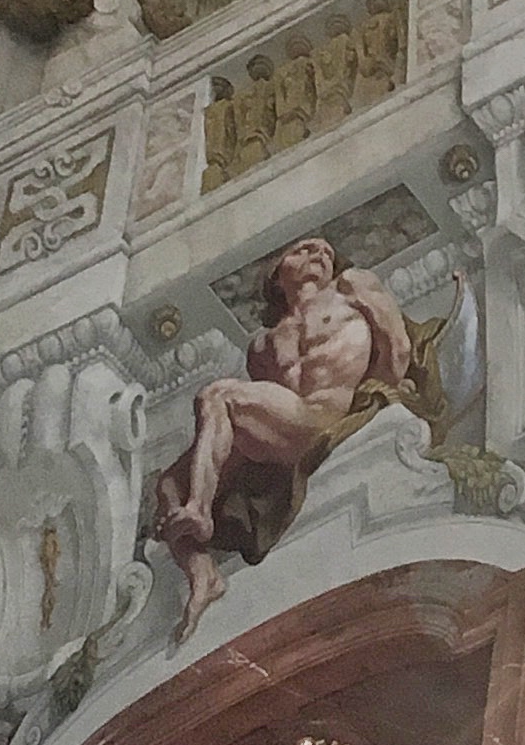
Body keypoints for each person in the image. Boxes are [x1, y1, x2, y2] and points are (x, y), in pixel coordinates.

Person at [152, 235, 418, 626]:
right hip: (284, 428)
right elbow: (266, 404)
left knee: (219, 395)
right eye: (305, 249)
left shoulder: (351, 288)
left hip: (326, 416)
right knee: (168, 486)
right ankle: (202, 573)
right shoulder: (262, 345)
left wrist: (380, 395)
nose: (320, 255)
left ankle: (201, 512)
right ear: (276, 275)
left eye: (327, 251)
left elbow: (397, 346)